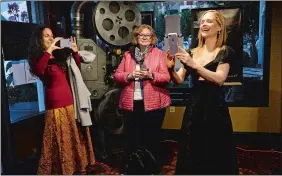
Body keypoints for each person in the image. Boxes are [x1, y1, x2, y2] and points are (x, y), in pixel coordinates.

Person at [167, 10, 239, 174]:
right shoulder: (192, 52)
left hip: (215, 106)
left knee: (215, 148)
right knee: (192, 146)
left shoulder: (225, 51)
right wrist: (171, 69)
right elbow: (178, 80)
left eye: (209, 21)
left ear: (219, 27)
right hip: (195, 105)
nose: (204, 24)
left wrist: (194, 65)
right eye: (202, 21)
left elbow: (219, 79)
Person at [28, 25, 95, 175]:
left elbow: (75, 70)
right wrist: (49, 50)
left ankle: (77, 166)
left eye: (51, 35)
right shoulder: (37, 58)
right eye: (46, 35)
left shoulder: (59, 56)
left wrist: (75, 51)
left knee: (73, 137)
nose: (51, 37)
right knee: (59, 140)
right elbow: (39, 71)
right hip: (55, 105)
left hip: (70, 102)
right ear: (39, 39)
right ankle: (62, 168)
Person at [114, 24, 171, 174]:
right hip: (132, 103)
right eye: (141, 35)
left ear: (152, 39)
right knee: (132, 139)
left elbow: (166, 78)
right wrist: (129, 75)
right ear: (136, 38)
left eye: (148, 35)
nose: (145, 38)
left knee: (150, 138)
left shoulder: (159, 54)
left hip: (153, 105)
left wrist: (150, 75)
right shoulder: (128, 55)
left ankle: (150, 169)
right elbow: (117, 76)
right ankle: (132, 169)